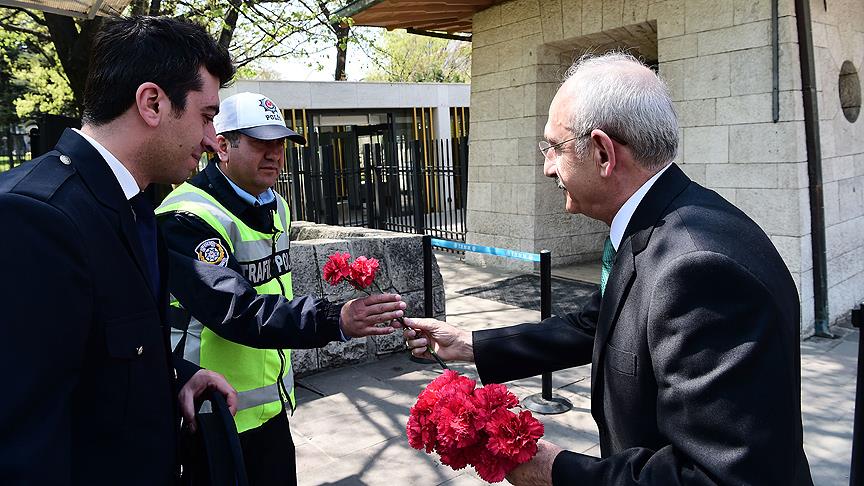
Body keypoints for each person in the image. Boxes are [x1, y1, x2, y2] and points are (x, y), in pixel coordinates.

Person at [405, 52, 814, 485]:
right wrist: (470, 345)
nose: (547, 168)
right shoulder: (662, 222)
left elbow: (714, 477)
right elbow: (600, 322)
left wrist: (556, 469)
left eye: (554, 148)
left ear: (602, 153)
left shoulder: (695, 269)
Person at [0, 16, 240, 484]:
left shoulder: (134, 205)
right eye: (207, 116)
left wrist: (178, 375)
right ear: (152, 103)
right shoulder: (35, 219)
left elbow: (104, 356)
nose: (213, 140)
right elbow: (22, 445)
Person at [155, 91, 407, 485]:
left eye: (280, 143)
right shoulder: (187, 215)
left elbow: (276, 295)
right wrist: (333, 319)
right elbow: (236, 309)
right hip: (213, 413)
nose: (274, 154)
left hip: (272, 406)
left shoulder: (277, 205)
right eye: (260, 143)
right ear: (222, 146)